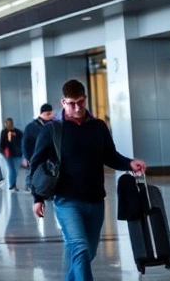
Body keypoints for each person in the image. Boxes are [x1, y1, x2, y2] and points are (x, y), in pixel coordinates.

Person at [30, 79, 146, 281]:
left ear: (85, 99)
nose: (77, 107)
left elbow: (110, 156)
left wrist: (129, 164)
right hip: (67, 201)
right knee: (80, 248)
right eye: (71, 103)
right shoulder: (52, 130)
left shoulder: (98, 126)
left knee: (88, 253)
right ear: (63, 102)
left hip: (95, 201)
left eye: (81, 102)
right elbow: (36, 163)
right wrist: (37, 198)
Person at [23, 104, 55, 169]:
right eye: (48, 114)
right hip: (35, 158)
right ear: (41, 114)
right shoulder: (31, 127)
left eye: (51, 114)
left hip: (51, 158)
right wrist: (27, 157)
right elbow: (25, 143)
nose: (50, 116)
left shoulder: (54, 125)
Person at [0, 117, 24, 191]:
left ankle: (13, 184)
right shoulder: (4, 132)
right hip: (8, 154)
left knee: (15, 170)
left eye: (11, 123)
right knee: (11, 169)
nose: (9, 125)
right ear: (6, 124)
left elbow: (22, 140)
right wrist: (2, 151)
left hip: (17, 154)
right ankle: (12, 185)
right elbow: (2, 143)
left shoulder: (18, 132)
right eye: (8, 123)